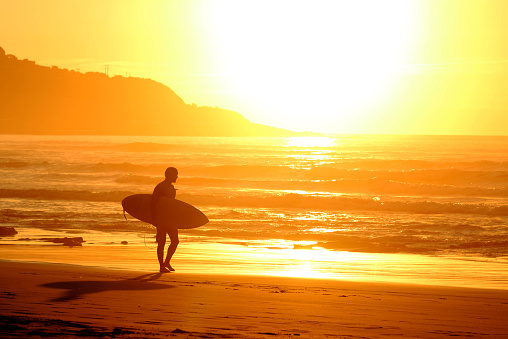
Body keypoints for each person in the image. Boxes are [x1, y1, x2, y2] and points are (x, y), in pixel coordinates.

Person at [151, 167, 179, 273]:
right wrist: (154, 219)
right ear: (169, 175)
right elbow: (153, 203)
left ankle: (167, 262)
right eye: (175, 174)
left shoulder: (172, 188)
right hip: (161, 219)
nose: (177, 176)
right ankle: (161, 266)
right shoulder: (160, 187)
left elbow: (172, 205)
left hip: (170, 218)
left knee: (175, 241)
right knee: (161, 242)